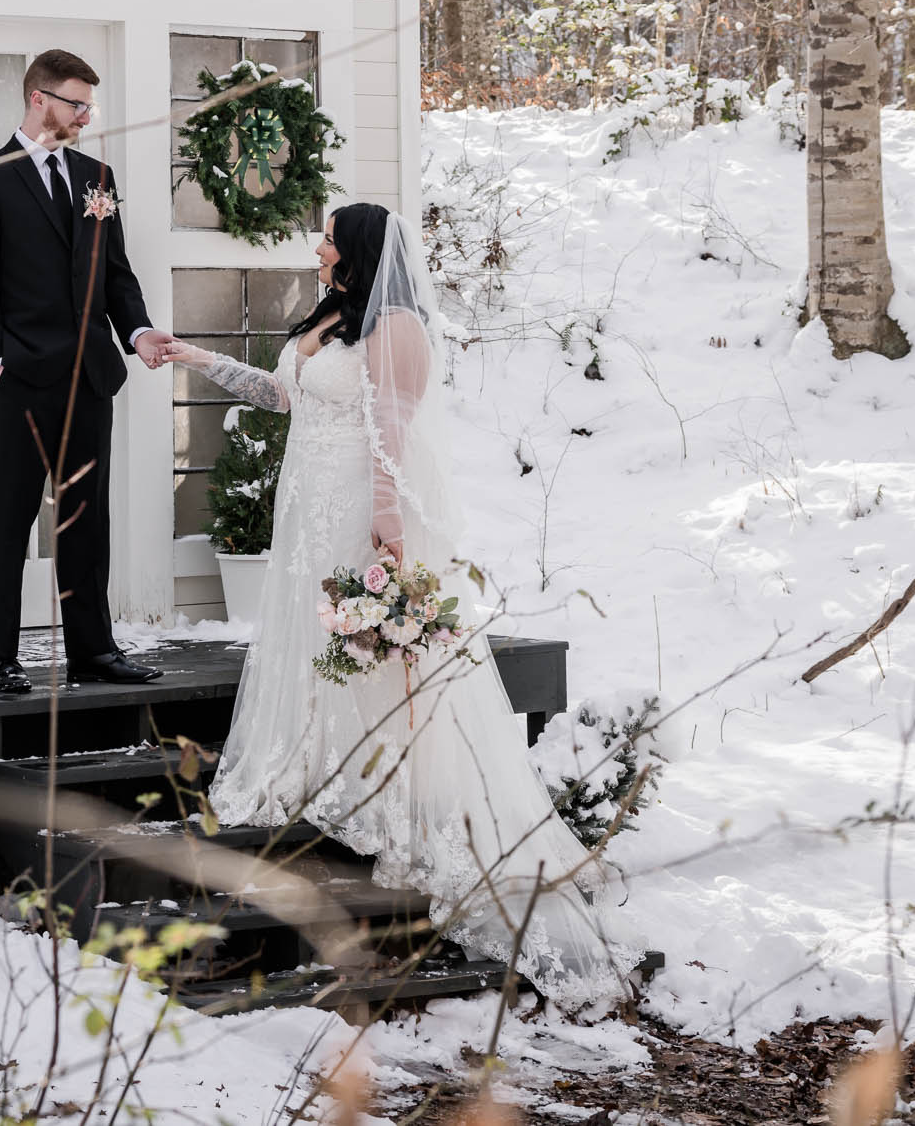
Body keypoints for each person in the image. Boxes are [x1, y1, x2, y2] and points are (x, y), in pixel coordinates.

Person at [156, 203, 617, 1004]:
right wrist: (189, 353)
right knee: (312, 640)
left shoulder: (398, 327)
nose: (319, 243)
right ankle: (315, 757)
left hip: (355, 510)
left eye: (330, 234)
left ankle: (386, 782)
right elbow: (281, 395)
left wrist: (387, 520)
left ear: (359, 247)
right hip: (304, 507)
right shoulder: (332, 315)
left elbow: (390, 433)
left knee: (360, 643)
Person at [0, 49, 175, 695]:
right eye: (77, 103)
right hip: (20, 378)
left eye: (89, 105)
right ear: (38, 99)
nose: (85, 115)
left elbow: (116, 274)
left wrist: (136, 332)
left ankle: (92, 650)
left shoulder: (95, 176)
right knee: (13, 517)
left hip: (90, 378)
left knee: (86, 517)